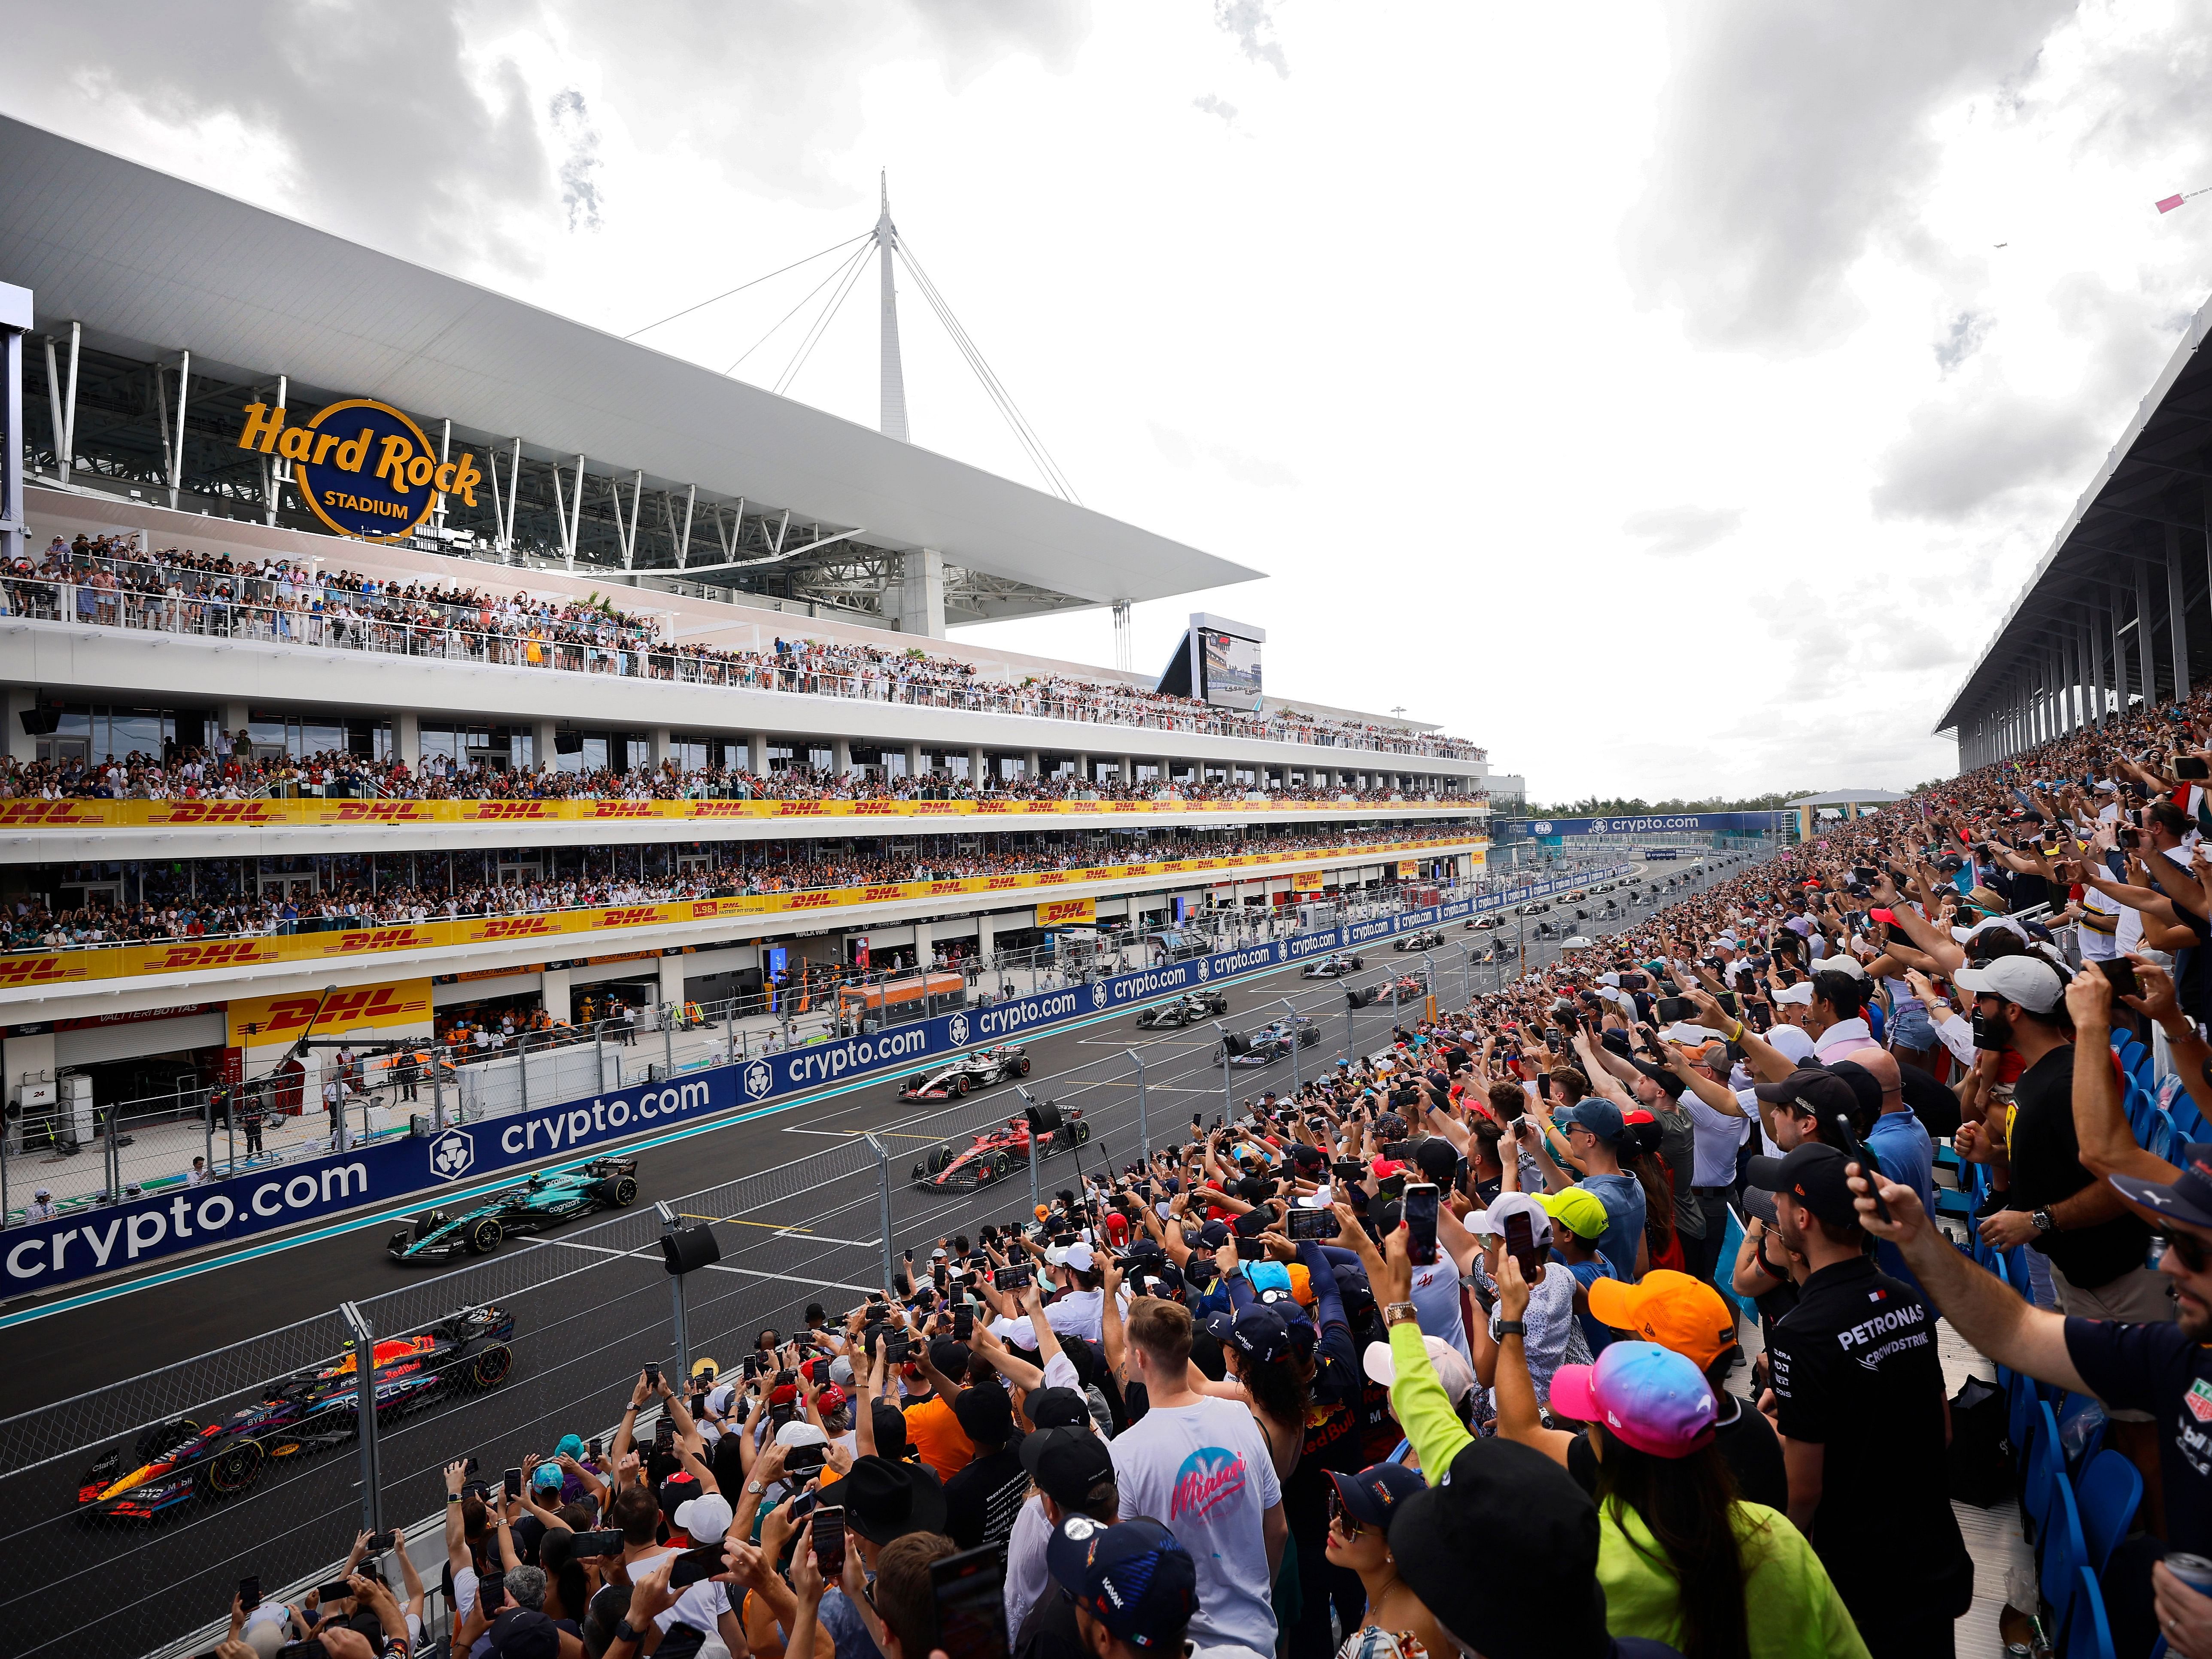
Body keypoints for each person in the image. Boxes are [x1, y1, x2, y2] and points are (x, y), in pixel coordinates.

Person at [1850, 1137, 2212, 1659]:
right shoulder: (2180, 1355)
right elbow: (2016, 1331)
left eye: (2196, 1250)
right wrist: (1920, 1240)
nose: (2171, 1266)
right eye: (2169, 1239)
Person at [1753, 1143, 1972, 1656]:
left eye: (1779, 1202)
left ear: (1802, 1219)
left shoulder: (1801, 1334)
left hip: (1860, 1576)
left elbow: (1803, 1490)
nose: (1774, 1211)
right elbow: (1940, 1429)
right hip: (1931, 1555)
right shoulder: (1904, 1297)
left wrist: (1771, 1562)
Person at [1108, 1299, 1286, 1658]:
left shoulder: (1125, 1452)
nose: (1125, 1357)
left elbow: (1128, 1564)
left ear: (1140, 1359)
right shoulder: (1240, 1417)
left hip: (1184, 1645)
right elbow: (1278, 1529)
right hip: (1259, 1632)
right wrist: (1258, 1592)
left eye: (1128, 1349)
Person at [1322, 1462, 1450, 1659]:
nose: (1335, 1523)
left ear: (1394, 1547)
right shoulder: (1427, 1593)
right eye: (1337, 1505)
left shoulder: (1382, 1645)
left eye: (1351, 1523)